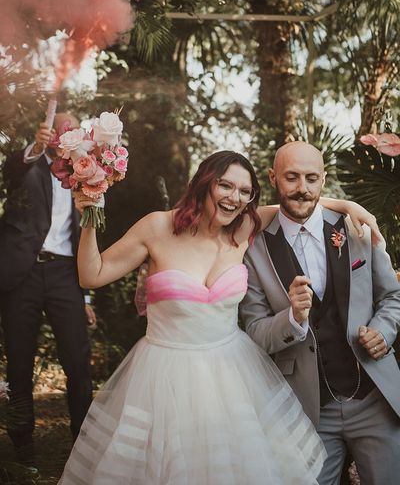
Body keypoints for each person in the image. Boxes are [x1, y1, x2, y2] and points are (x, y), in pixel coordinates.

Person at [59, 150, 377, 485]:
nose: (234, 198)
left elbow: (298, 204)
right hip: (164, 374)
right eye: (226, 186)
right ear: (204, 183)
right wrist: (89, 217)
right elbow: (91, 275)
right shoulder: (157, 227)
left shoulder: (244, 229)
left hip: (232, 373)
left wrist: (348, 206)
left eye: (244, 191)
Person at [240, 141, 400, 485]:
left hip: (373, 398)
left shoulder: (356, 229)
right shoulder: (253, 248)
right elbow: (254, 331)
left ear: (323, 180)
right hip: (308, 410)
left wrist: (382, 332)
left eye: (312, 178)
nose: (303, 188)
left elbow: (392, 296)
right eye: (292, 177)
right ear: (273, 178)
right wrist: (293, 319)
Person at [0, 114, 96, 465]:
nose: (63, 133)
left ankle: (83, 441)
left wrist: (86, 295)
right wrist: (34, 149)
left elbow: (89, 235)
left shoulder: (85, 174)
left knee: (77, 360)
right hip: (20, 273)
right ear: (48, 132)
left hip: (65, 275)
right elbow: (11, 170)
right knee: (19, 360)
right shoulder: (27, 164)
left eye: (70, 128)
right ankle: (22, 447)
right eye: (58, 127)